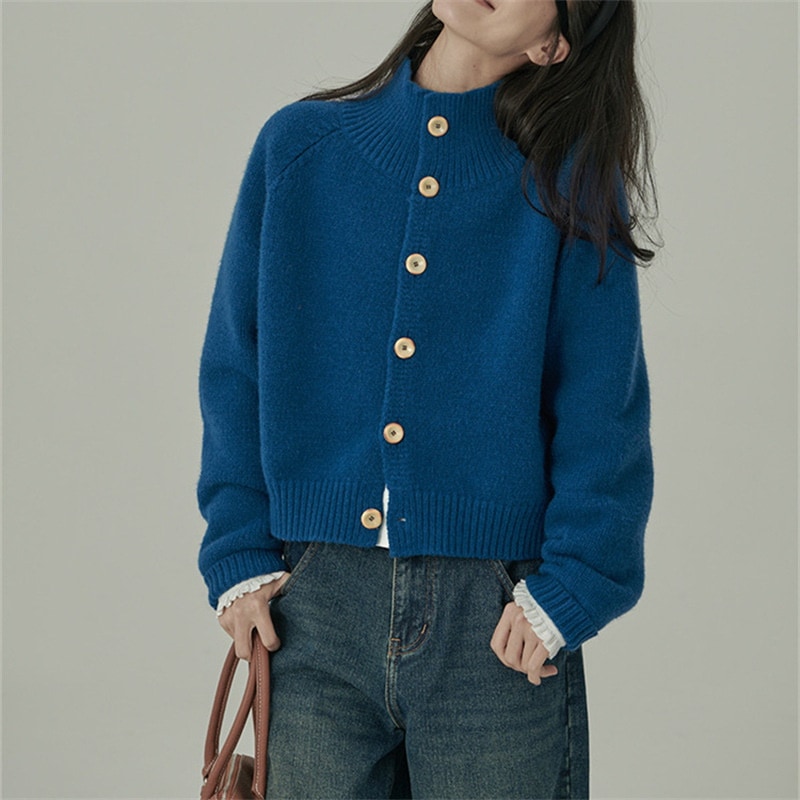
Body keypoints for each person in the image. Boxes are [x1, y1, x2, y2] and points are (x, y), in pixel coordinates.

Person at [196, 0, 659, 797]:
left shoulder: (570, 184)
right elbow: (237, 365)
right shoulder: (298, 148)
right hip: (311, 609)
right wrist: (237, 557)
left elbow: (601, 409)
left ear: (554, 45)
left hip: (496, 619)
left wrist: (574, 586)